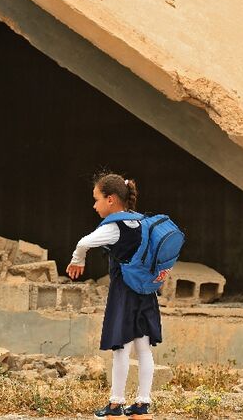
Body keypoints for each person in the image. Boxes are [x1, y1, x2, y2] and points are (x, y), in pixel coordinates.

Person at [67, 172, 169, 420]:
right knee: (144, 349)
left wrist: (76, 260)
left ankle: (115, 406)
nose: (94, 205)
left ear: (111, 200)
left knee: (120, 349)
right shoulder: (144, 222)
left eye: (97, 199)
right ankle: (142, 406)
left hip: (124, 294)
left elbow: (84, 242)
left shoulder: (115, 227)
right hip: (145, 293)